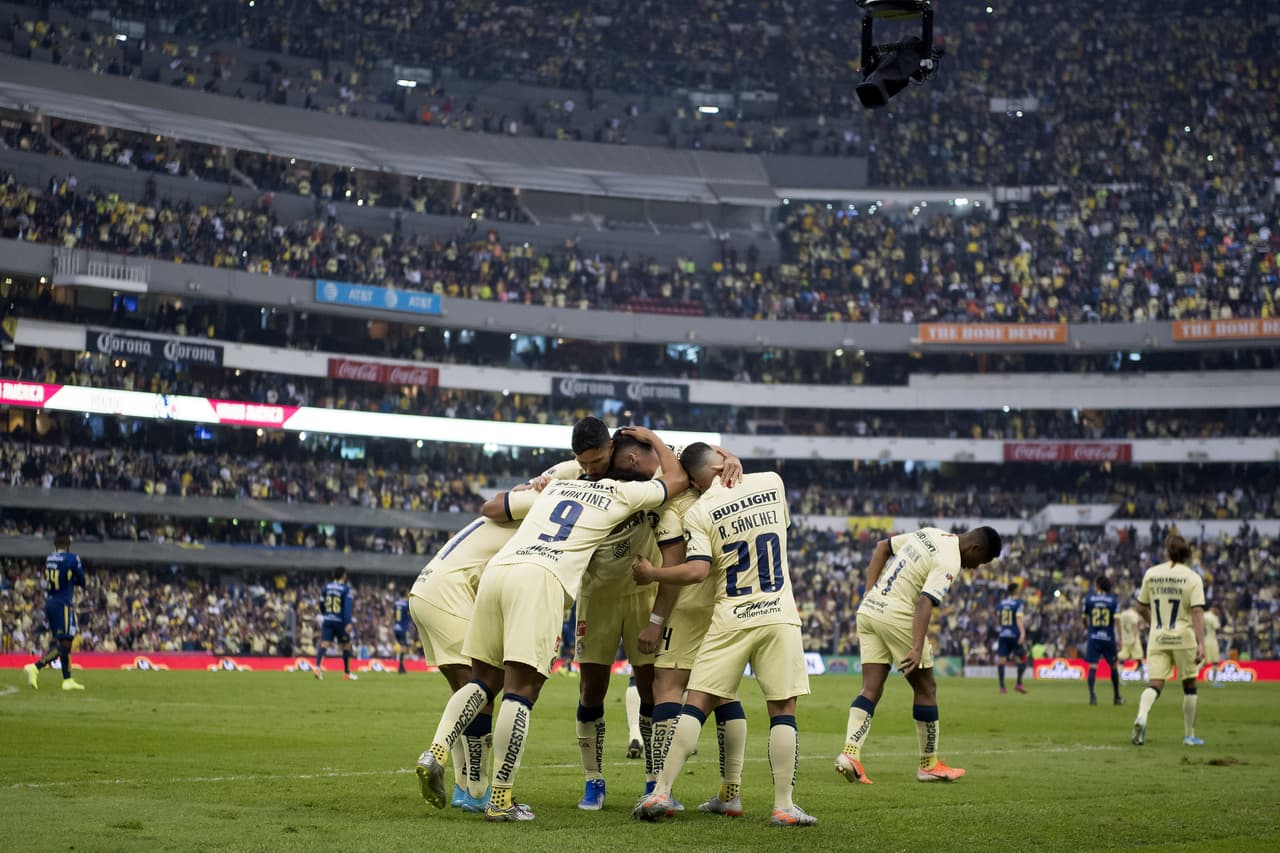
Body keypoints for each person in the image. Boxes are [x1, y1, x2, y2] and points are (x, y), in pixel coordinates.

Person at [414, 421, 688, 823]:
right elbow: (676, 478)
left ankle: (435, 752)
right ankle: (502, 800)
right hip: (540, 578)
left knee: (482, 680)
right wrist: (653, 439)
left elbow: (497, 505)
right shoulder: (623, 493)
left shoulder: (556, 484)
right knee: (521, 690)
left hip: (498, 572)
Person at [632, 444, 816, 827]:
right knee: (782, 709)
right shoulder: (772, 481)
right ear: (723, 457)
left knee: (696, 702)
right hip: (778, 612)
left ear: (697, 480)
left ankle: (661, 791)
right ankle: (783, 805)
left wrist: (652, 574)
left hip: (731, 614)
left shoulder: (700, 510)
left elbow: (698, 569)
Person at [836, 525, 1003, 785]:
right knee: (926, 688)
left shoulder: (931, 533)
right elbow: (925, 601)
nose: (975, 568)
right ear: (975, 548)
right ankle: (929, 765)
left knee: (870, 688)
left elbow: (882, 547)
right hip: (896, 614)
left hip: (870, 609)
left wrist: (869, 591)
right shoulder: (951, 559)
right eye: (980, 562)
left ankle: (850, 754)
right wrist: (915, 648)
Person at [1131, 534, 1206, 747]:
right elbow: (1197, 612)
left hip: (1157, 637)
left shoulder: (1152, 573)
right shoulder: (1192, 578)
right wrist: (1201, 643)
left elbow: (1140, 607)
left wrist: (1153, 622)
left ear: (1168, 552)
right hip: (1183, 637)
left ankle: (1142, 716)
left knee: (1155, 684)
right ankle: (1189, 735)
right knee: (1189, 684)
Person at [23, 533, 87, 691]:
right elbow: (82, 580)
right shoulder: (72, 558)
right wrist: (73, 579)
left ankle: (67, 680)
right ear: (68, 544)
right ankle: (36, 667)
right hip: (63, 603)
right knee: (65, 644)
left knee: (64, 642)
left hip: (51, 602)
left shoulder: (50, 558)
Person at [1083, 576, 1123, 706]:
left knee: (1093, 667)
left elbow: (1084, 617)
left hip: (1094, 637)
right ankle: (1116, 697)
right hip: (1108, 637)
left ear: (1098, 585)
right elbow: (1117, 620)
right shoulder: (1113, 600)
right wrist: (1120, 638)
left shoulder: (1089, 599)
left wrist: (1088, 628)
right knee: (1113, 666)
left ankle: (1092, 696)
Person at [315, 567, 356, 681]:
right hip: (340, 622)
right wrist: (348, 623)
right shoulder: (346, 589)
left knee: (324, 644)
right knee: (346, 646)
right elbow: (347, 608)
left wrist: (326, 614)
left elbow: (321, 604)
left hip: (328, 620)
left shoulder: (326, 587)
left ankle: (318, 667)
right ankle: (347, 673)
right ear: (343, 575)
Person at [994, 582, 1027, 695]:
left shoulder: (1001, 603)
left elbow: (998, 618)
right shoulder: (1019, 603)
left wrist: (1003, 628)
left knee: (1002, 661)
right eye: (1018, 588)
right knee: (1023, 658)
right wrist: (1022, 633)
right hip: (1014, 635)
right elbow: (1019, 619)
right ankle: (1018, 683)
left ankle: (1002, 687)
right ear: (1015, 590)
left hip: (1003, 634)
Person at [1117, 600, 1146, 675]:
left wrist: (1120, 638)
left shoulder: (1122, 614)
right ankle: (1143, 678)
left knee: (1121, 659)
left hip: (1125, 639)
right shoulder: (1133, 614)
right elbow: (1135, 626)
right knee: (1139, 659)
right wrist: (1134, 636)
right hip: (1134, 640)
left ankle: (1118, 678)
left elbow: (1120, 626)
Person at [1202, 605, 1223, 688]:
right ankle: (1214, 682)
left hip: (1204, 640)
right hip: (1212, 642)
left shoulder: (1203, 614)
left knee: (1202, 662)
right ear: (1215, 609)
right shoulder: (1213, 617)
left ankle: (1190, 678)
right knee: (1215, 662)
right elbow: (1217, 628)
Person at [393, 592, 413, 674]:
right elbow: (411, 614)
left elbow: (393, 615)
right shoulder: (406, 604)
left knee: (402, 647)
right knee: (404, 648)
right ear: (405, 595)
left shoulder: (396, 603)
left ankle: (402, 668)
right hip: (403, 628)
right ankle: (400, 668)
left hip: (396, 628)